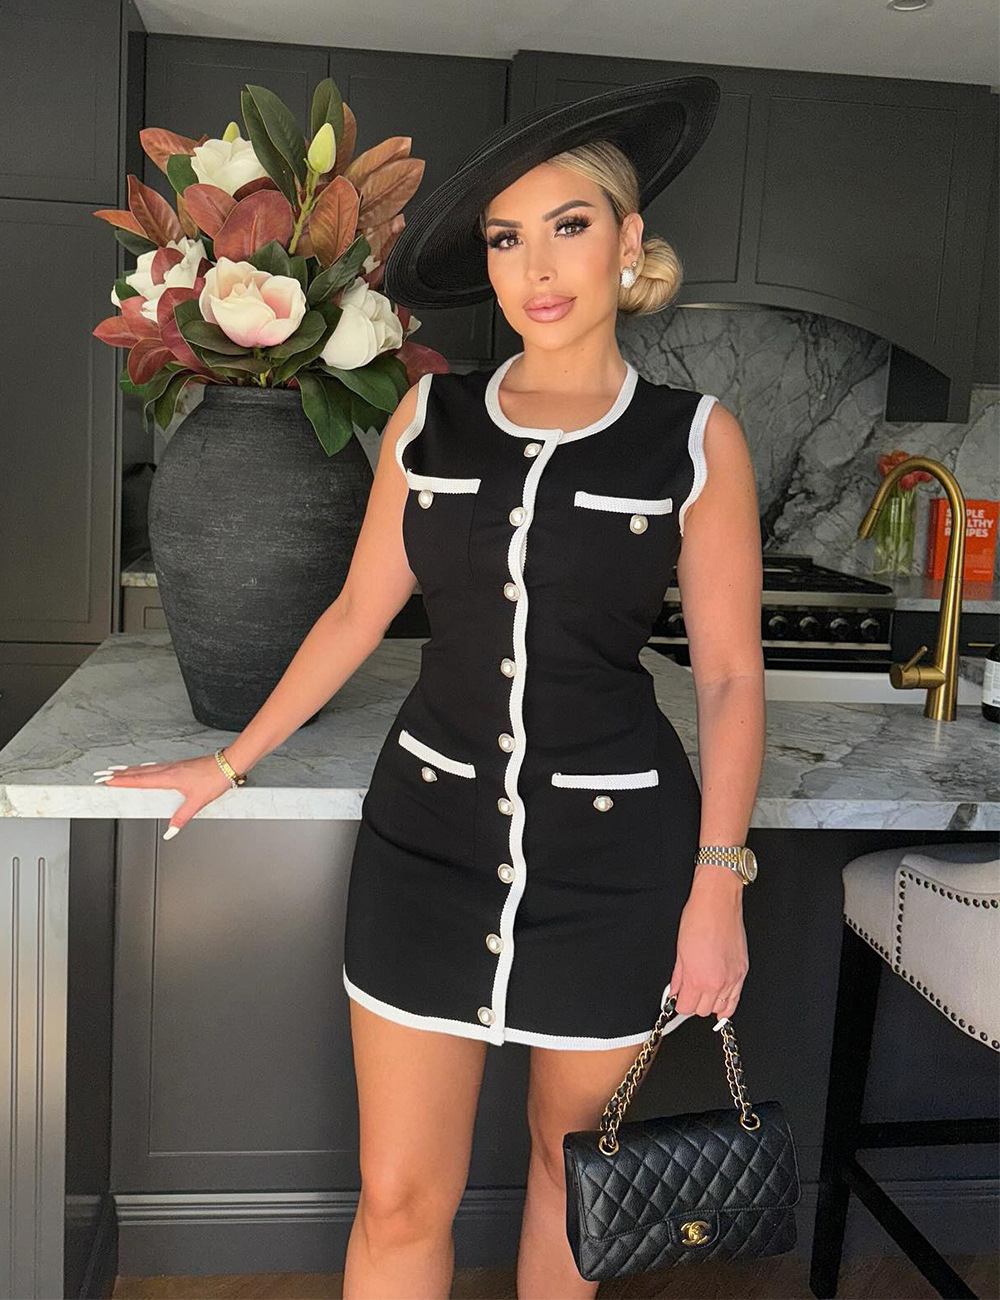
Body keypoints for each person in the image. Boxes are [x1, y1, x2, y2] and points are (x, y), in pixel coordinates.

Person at [95, 77, 765, 1300]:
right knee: (400, 1195)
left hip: (618, 862)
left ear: (627, 240)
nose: (536, 266)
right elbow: (356, 613)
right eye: (506, 239)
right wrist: (229, 759)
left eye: (568, 225)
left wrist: (717, 883)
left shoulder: (694, 437)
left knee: (572, 1176)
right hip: (427, 844)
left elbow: (726, 675)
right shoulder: (429, 414)